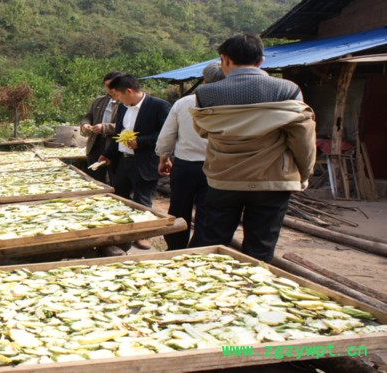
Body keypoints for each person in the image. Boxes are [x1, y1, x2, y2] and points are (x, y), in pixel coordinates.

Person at [189, 33, 316, 262]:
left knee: (211, 243)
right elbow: (302, 138)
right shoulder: (287, 90)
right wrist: (304, 173)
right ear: (261, 61)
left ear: (224, 59)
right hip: (272, 180)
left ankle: (206, 291)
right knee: (260, 247)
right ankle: (252, 292)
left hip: (223, 178)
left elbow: (203, 131)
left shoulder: (205, 93)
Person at [156, 62, 225, 251]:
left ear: (204, 80)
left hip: (186, 166)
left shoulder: (184, 103)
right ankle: (198, 249)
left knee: (179, 209)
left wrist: (164, 157)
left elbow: (167, 135)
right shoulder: (231, 103)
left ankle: (175, 248)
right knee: (207, 211)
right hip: (217, 167)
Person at [99, 74, 172, 252]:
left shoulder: (159, 106)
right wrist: (107, 154)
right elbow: (119, 133)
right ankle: (121, 236)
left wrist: (141, 142)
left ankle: (142, 236)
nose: (116, 99)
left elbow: (166, 134)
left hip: (145, 162)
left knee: (143, 200)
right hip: (124, 161)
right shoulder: (124, 108)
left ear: (129, 91)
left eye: (117, 95)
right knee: (120, 198)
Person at [80, 72, 121, 183]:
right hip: (95, 143)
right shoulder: (99, 100)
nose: (110, 89)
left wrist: (104, 127)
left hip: (114, 144)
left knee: (115, 178)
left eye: (112, 85)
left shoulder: (125, 102)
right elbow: (88, 116)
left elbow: (126, 126)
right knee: (95, 177)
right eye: (107, 86)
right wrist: (85, 125)